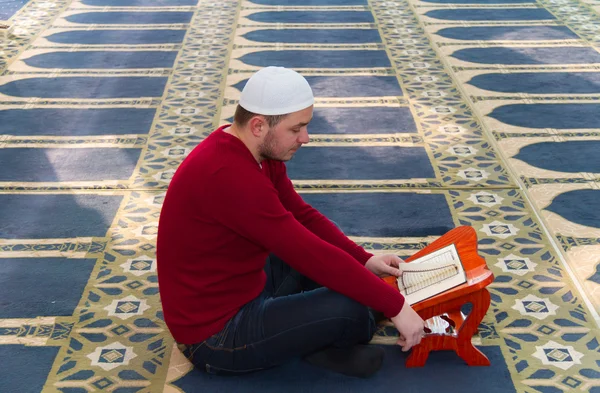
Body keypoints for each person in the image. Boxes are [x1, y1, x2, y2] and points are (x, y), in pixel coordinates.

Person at [156, 66, 425, 378]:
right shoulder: (229, 176)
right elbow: (309, 252)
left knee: (332, 270)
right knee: (349, 309)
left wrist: (363, 259)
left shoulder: (253, 150)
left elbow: (302, 217)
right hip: (215, 335)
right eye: (296, 129)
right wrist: (396, 306)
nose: (305, 138)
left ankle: (311, 340)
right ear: (258, 125)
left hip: (244, 284)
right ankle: (317, 341)